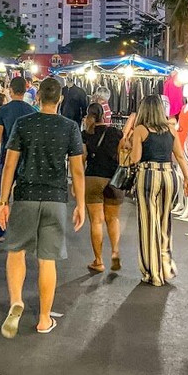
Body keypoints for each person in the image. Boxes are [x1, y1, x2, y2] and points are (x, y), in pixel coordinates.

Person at [0, 77, 86, 337]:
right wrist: (80, 204)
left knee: (16, 252)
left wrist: (3, 201)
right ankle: (44, 319)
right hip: (55, 200)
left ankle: (16, 301)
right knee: (47, 260)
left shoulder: (24, 124)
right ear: (60, 99)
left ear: (37, 98)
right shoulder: (70, 128)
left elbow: (10, 164)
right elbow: (78, 171)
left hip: (25, 196)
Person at [126, 96, 188, 287]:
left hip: (148, 175)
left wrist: (131, 143)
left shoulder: (141, 130)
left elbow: (135, 159)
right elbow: (180, 156)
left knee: (149, 224)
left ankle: (153, 272)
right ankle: (166, 267)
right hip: (169, 176)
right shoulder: (171, 130)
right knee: (165, 222)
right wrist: (187, 179)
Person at [0, 76, 37, 242]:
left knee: (2, 193)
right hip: (26, 159)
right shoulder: (32, 111)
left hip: (7, 158)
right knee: (24, 195)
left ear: (10, 91)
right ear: (25, 90)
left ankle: (0, 229)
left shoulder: (3, 111)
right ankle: (24, 229)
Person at [82, 102, 123, 273]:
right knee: (113, 219)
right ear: (104, 115)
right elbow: (121, 155)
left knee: (96, 221)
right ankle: (114, 253)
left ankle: (98, 261)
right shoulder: (116, 132)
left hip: (92, 178)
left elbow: (82, 157)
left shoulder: (85, 134)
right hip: (113, 180)